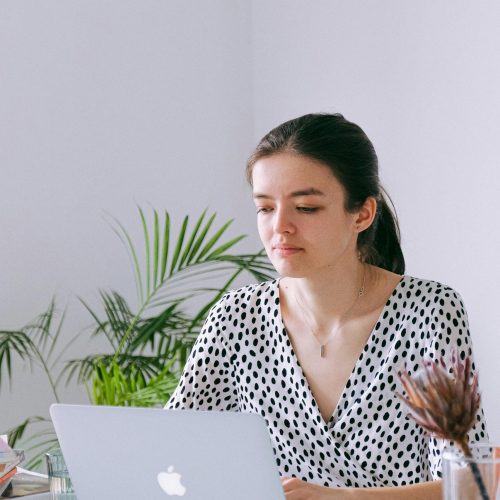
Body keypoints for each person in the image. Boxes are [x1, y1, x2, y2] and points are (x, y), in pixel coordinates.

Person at [165, 113, 488, 499]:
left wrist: (346, 499)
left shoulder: (428, 311)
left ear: (362, 214)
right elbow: (169, 451)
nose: (280, 226)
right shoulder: (236, 317)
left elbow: (472, 483)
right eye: (265, 208)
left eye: (306, 208)